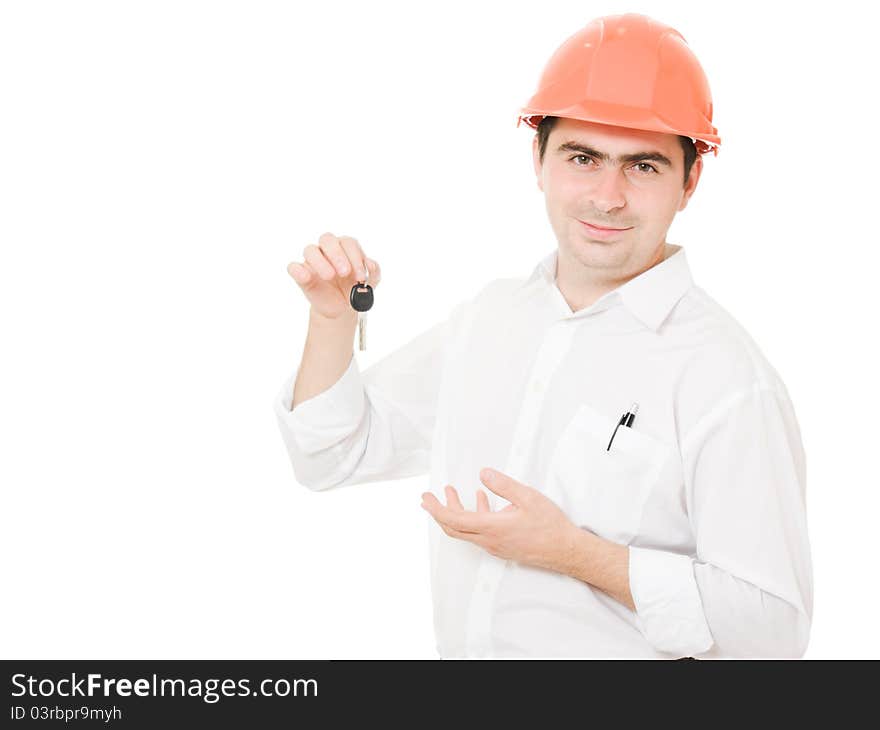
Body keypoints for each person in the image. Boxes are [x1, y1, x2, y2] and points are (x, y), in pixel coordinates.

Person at [273, 13, 813, 659]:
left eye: (643, 166)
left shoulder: (723, 376)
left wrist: (577, 555)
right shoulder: (492, 317)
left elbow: (773, 634)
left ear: (689, 181)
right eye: (582, 158)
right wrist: (334, 324)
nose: (607, 197)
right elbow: (331, 458)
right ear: (539, 160)